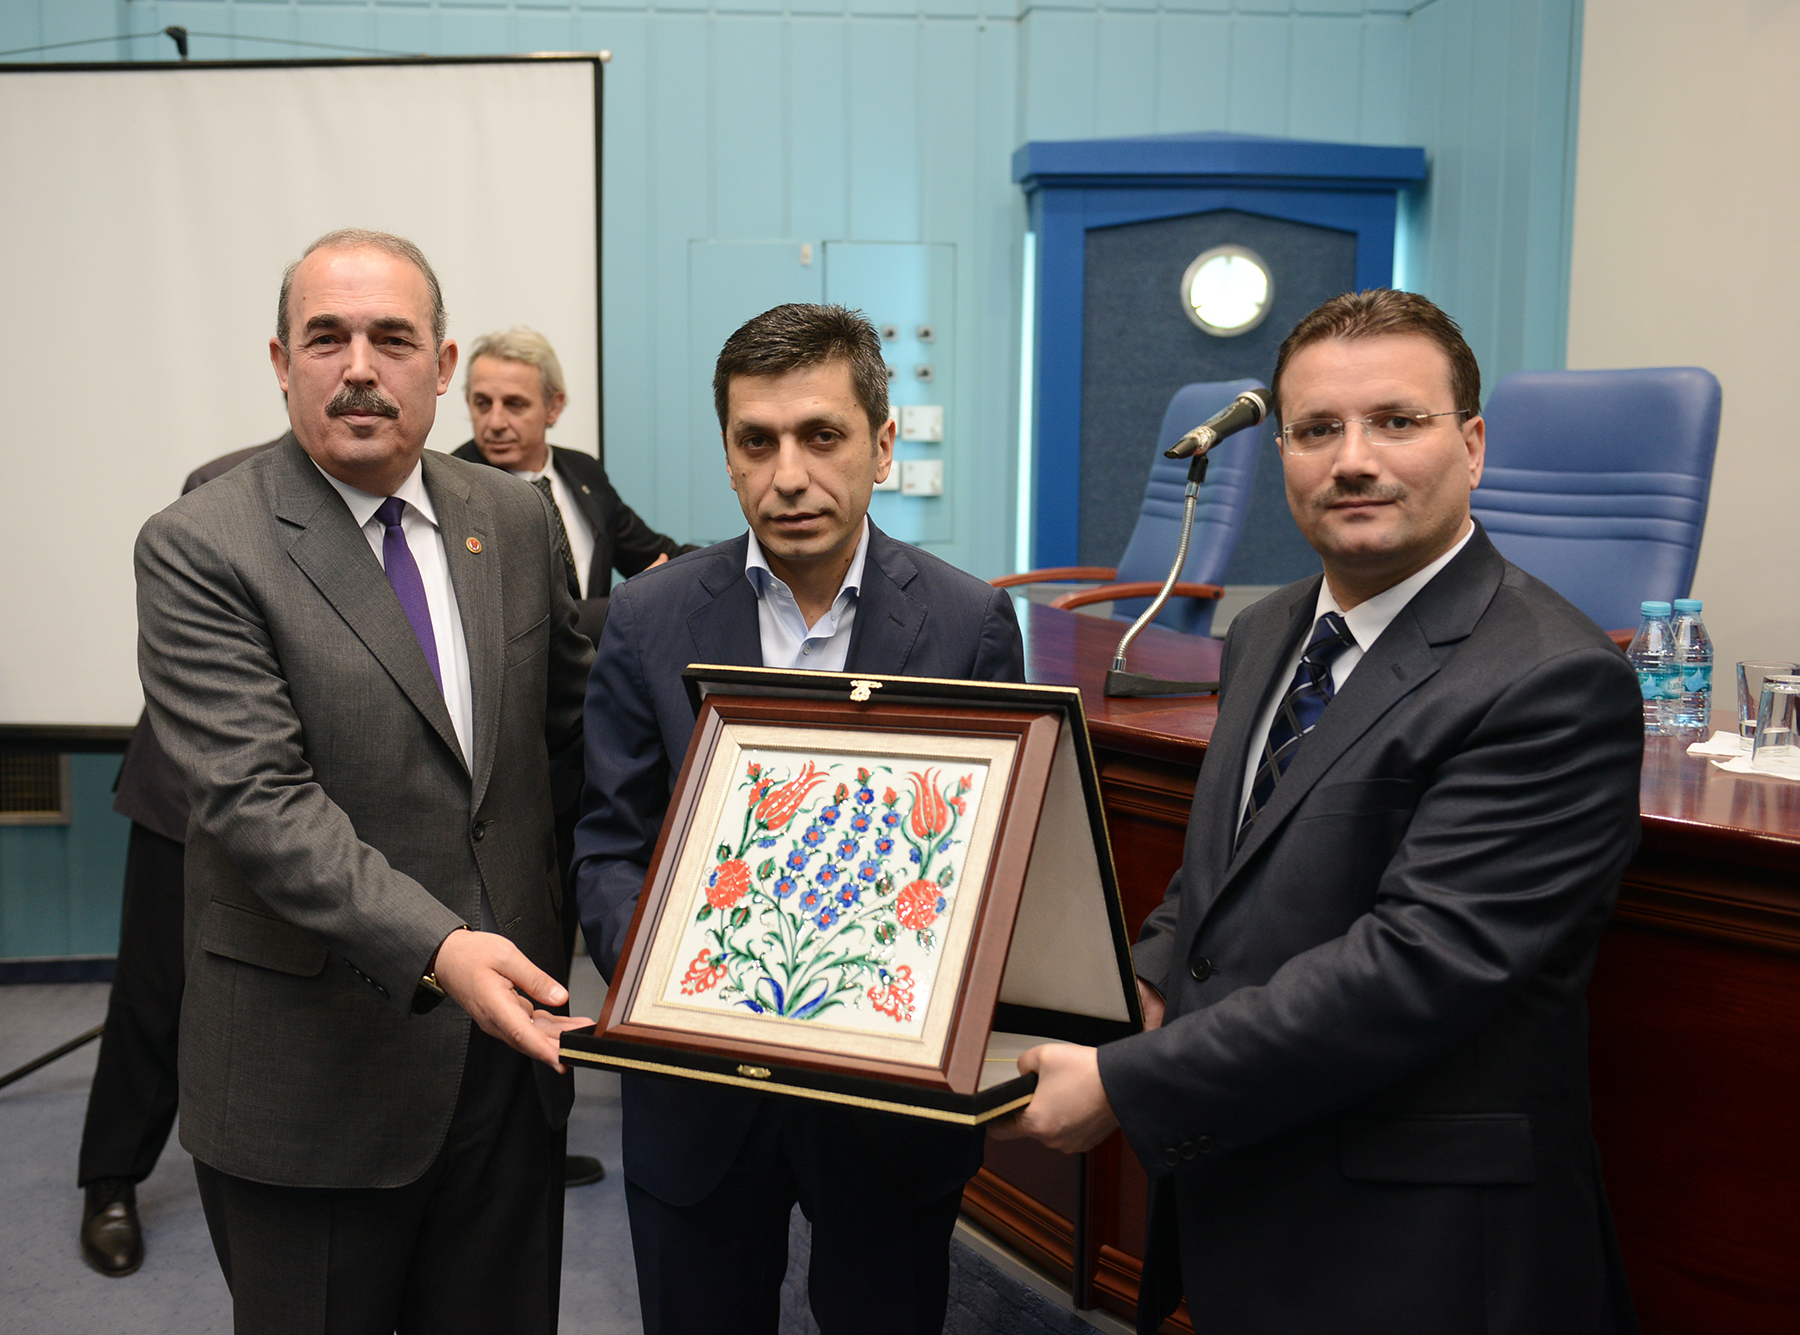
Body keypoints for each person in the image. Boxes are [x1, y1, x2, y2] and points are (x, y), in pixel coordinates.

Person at [997, 289, 1645, 1334]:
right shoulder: (1267, 631)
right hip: (1255, 1187)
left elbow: (1415, 969)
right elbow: (1226, 868)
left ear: (1473, 446)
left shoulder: (1550, 678)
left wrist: (1127, 1079)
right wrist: (1147, 981)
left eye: (1397, 421)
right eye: (1316, 430)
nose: (1353, 459)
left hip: (1420, 1244)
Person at [134, 228, 594, 1333]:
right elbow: (259, 802)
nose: (358, 368)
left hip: (509, 1063)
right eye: (325, 338)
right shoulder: (201, 544)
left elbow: (579, 735)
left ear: (441, 365)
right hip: (312, 1079)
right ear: (280, 362)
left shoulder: (512, 518)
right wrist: (443, 949)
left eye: (392, 339)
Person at [572, 303, 1026, 1335]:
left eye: (822, 436)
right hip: (698, 1092)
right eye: (757, 441)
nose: (789, 475)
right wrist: (670, 982)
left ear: (882, 444)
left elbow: (992, 867)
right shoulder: (648, 618)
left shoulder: (967, 623)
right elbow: (607, 846)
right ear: (729, 455)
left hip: (887, 1107)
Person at [78, 441, 276, 1278]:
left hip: (307, 808)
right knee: (155, 997)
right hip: (183, 798)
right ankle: (109, 1182)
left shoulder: (407, 504)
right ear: (289, 377)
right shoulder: (221, 485)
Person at [452, 325, 696, 643]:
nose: (495, 422)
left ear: (553, 407)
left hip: (597, 672)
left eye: (514, 404)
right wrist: (632, 603)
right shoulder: (454, 487)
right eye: (483, 403)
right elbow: (517, 624)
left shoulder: (583, 471)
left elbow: (655, 555)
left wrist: (739, 558)